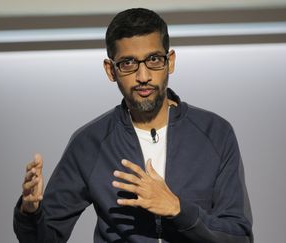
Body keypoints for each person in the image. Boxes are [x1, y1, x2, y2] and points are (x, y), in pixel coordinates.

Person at [13, 8, 253, 243]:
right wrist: (30, 212)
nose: (143, 76)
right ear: (111, 70)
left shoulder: (215, 133)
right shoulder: (91, 143)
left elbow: (238, 235)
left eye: (154, 60)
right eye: (128, 63)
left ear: (170, 62)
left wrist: (177, 209)